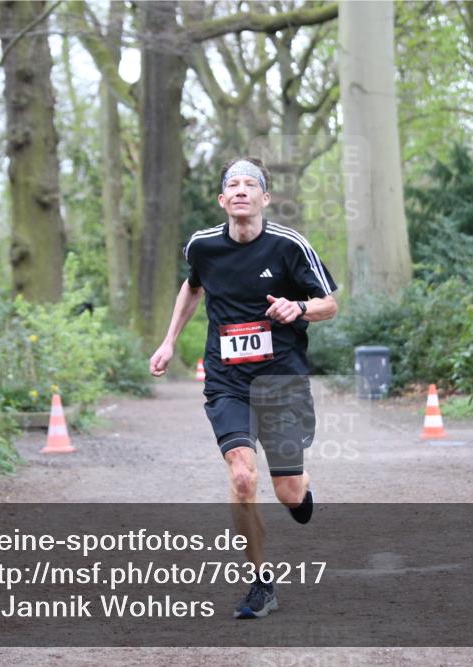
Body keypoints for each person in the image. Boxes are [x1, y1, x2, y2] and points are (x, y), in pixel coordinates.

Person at [149, 157, 338, 619]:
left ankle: (301, 489)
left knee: (288, 492)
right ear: (221, 200)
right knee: (241, 476)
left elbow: (329, 304)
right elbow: (192, 287)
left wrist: (299, 308)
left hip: (281, 380)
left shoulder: (289, 246)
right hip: (227, 381)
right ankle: (260, 584)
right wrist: (169, 341)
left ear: (264, 199)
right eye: (231, 184)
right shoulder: (203, 247)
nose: (239, 190)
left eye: (249, 184)